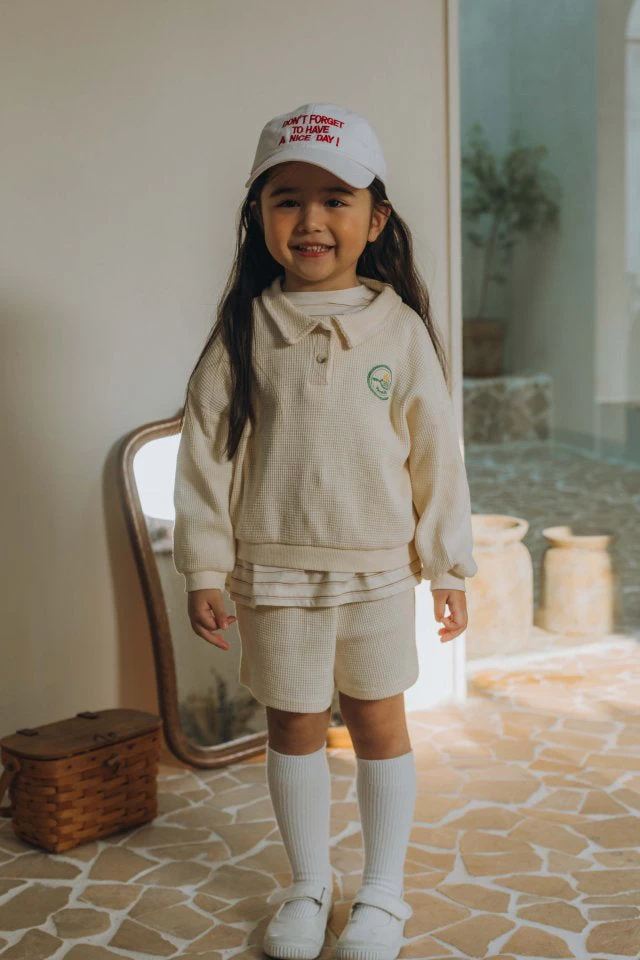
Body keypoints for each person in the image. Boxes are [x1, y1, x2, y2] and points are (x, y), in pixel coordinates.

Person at [172, 102, 478, 960]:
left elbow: (437, 454)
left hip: (378, 571)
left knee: (380, 724)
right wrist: (204, 566)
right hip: (273, 572)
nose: (311, 220)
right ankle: (309, 884)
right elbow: (205, 453)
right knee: (294, 727)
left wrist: (447, 566)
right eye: (287, 199)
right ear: (259, 216)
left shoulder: (401, 331)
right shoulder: (245, 330)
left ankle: (383, 892)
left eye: (335, 198)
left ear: (375, 219)